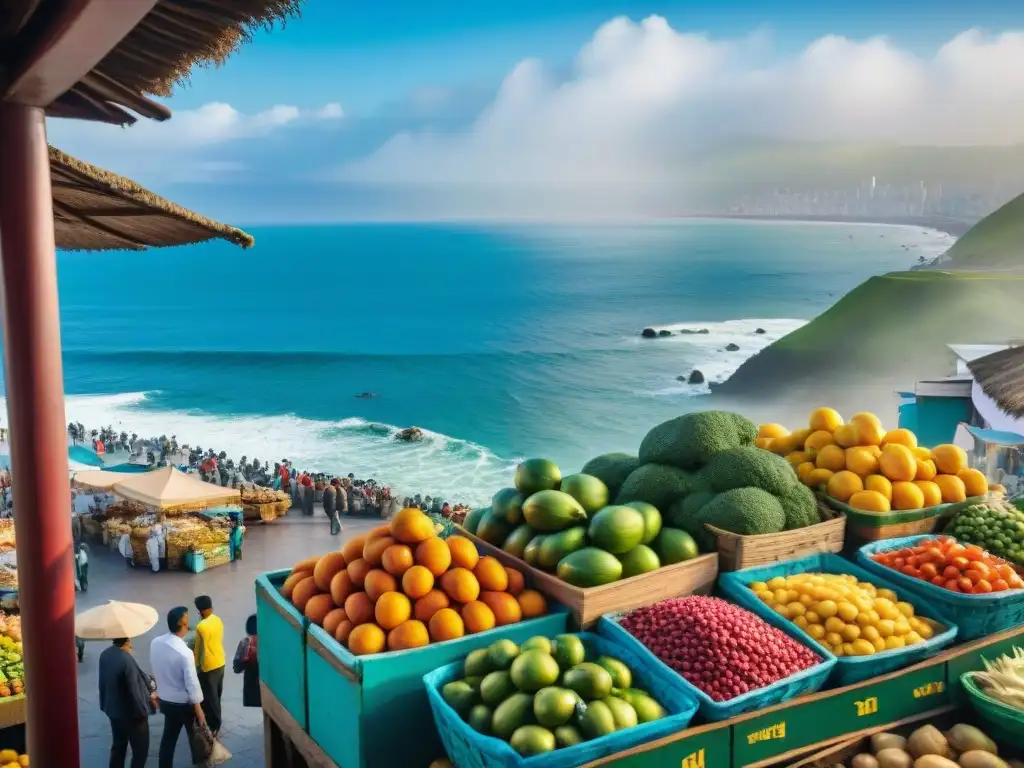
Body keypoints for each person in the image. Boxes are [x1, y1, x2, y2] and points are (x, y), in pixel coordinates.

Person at [151, 606, 205, 768]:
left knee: (168, 739)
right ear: (182, 624)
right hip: (184, 704)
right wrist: (199, 710)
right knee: (195, 739)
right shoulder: (185, 652)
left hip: (166, 701)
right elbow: (192, 684)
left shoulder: (156, 643)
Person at [99, 636, 154, 768]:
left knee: (118, 747)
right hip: (132, 714)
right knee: (140, 752)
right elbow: (134, 690)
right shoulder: (126, 660)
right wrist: (144, 712)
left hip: (113, 710)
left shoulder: (105, 654)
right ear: (128, 641)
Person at [193, 595, 226, 737]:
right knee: (217, 696)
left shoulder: (201, 627)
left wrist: (195, 666)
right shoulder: (217, 619)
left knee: (209, 698)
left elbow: (199, 650)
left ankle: (214, 726)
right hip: (220, 661)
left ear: (200, 610)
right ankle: (216, 724)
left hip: (208, 666)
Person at [232, 614, 261, 707]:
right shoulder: (245, 644)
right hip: (260, 690)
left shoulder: (245, 643)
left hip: (255, 691)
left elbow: (236, 669)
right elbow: (236, 668)